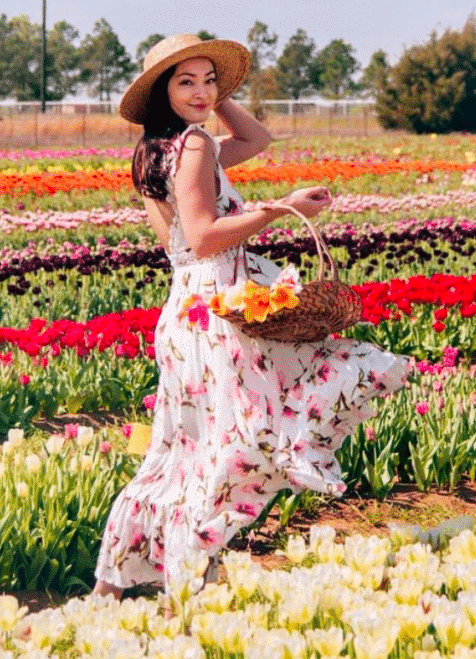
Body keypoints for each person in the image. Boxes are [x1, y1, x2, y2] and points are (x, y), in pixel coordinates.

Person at [92, 33, 412, 601]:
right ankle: (187, 577)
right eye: (185, 81)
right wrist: (280, 208)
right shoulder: (192, 147)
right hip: (218, 309)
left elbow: (256, 137)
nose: (201, 91)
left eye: (208, 80)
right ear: (162, 91)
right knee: (246, 435)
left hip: (184, 309)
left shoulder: (156, 151)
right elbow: (204, 236)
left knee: (181, 449)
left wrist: (212, 101)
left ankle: (119, 584)